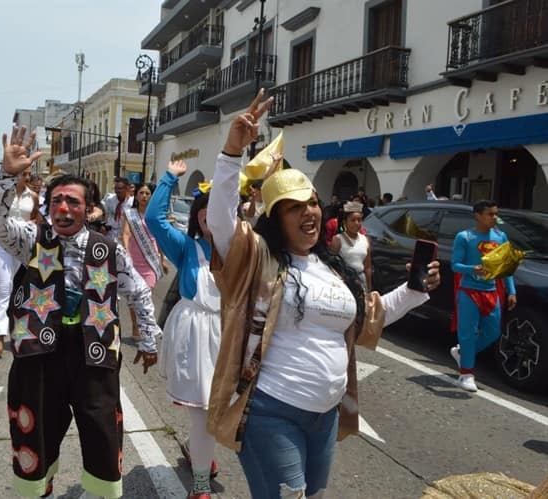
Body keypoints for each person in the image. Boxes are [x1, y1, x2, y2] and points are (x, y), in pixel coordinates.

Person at [206, 91, 442, 499]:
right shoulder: (259, 260)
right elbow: (221, 221)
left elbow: (370, 318)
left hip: (326, 416)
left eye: (312, 202)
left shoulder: (333, 267)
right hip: (271, 411)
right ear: (276, 219)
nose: (309, 212)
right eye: (294, 206)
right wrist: (231, 153)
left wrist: (416, 289)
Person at [0, 126, 162, 499]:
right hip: (39, 357)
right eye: (58, 201)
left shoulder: (108, 249)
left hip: (92, 355)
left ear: (89, 208)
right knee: (37, 430)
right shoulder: (31, 239)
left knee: (101, 433)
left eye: (74, 202)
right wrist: (7, 175)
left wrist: (148, 338)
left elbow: (139, 292)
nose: (64, 208)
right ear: (48, 207)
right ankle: (40, 489)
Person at [145, 163, 220, 499]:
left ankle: (196, 448)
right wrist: (169, 178)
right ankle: (200, 485)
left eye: (218, 210)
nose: (210, 216)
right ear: (198, 216)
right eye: (204, 210)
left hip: (228, 335)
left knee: (220, 413)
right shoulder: (187, 247)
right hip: (195, 335)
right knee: (204, 413)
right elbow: (153, 220)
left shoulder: (243, 248)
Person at [450, 200, 517, 392]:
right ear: (477, 215)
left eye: (496, 214)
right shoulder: (465, 237)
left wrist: (511, 290)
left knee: (493, 332)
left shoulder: (501, 236)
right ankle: (466, 374)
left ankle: (462, 352)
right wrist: (473, 269)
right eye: (490, 214)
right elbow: (455, 265)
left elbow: (506, 267)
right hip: (468, 291)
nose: (494, 217)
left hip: (491, 291)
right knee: (468, 333)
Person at [0, 166, 39, 359]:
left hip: (23, 247)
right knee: (4, 288)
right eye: (22, 174)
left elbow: (35, 216)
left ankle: (19, 333)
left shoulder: (33, 196)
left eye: (27, 174)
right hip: (3, 245)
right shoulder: (2, 194)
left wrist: (31, 226)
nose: (25, 177)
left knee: (21, 291)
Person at [121, 182, 167, 342]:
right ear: (136, 196)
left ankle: (146, 327)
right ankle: (135, 325)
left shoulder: (155, 215)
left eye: (147, 193)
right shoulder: (130, 213)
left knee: (145, 295)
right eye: (141, 193)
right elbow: (126, 234)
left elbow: (160, 238)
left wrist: (163, 259)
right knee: (134, 296)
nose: (144, 196)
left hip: (150, 261)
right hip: (134, 259)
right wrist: (126, 252)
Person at [331, 201, 372, 291]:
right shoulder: (337, 240)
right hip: (344, 282)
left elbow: (367, 267)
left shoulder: (365, 240)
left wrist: (369, 288)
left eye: (359, 220)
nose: (357, 223)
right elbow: (332, 266)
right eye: (353, 220)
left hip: (361, 281)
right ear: (345, 222)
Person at [102, 177, 133, 242]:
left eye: (120, 188)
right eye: (115, 188)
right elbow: (103, 212)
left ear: (126, 188)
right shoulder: (109, 199)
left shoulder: (132, 203)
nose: (117, 191)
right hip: (110, 234)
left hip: (124, 236)